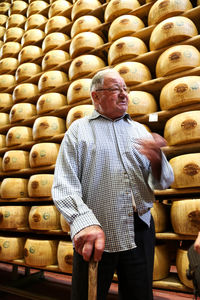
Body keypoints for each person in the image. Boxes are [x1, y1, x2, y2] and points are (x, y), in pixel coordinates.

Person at [52, 68, 174, 300]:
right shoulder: (78, 131)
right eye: (116, 89)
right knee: (88, 296)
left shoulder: (140, 131)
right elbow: (64, 185)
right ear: (95, 96)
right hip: (96, 231)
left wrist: (158, 162)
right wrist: (83, 222)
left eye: (125, 89)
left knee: (140, 295)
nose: (124, 95)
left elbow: (162, 182)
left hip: (140, 228)